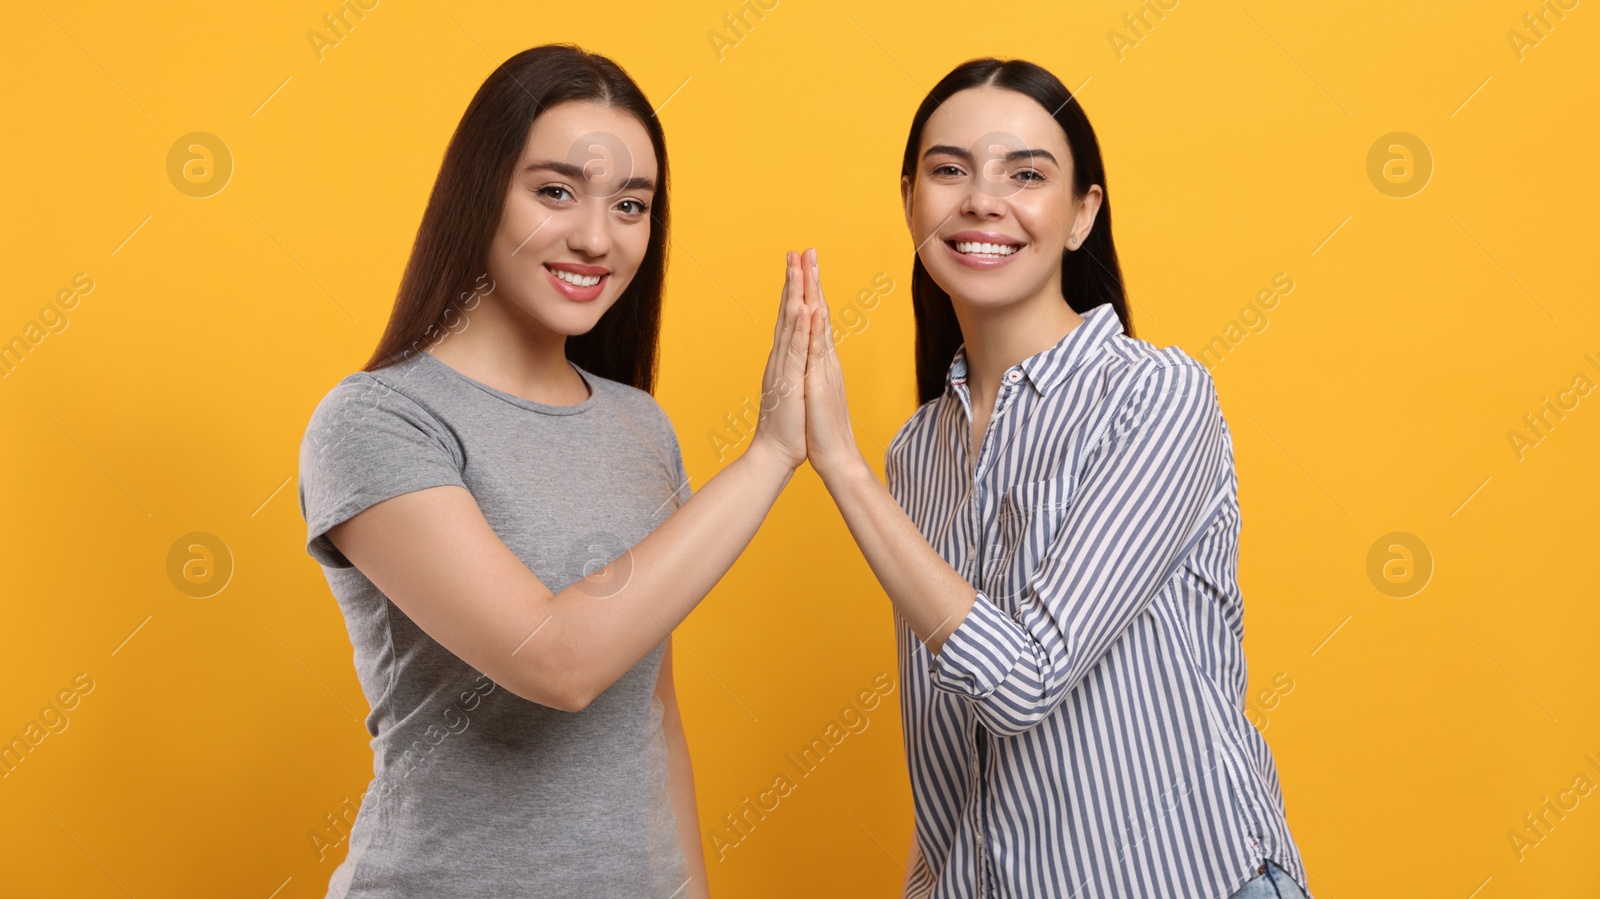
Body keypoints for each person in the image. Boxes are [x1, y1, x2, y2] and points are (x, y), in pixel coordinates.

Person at [296, 43, 813, 898]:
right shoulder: (377, 420)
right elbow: (559, 663)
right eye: (555, 191)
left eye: (632, 204)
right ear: (480, 193)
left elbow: (648, 709)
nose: (595, 236)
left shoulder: (639, 426)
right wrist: (768, 454)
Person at [794, 57, 1313, 898]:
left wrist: (841, 467)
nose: (981, 199)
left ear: (1082, 214)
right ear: (910, 203)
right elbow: (951, 748)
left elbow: (1023, 681)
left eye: (1025, 174)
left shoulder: (1155, 395)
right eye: (949, 169)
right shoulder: (919, 451)